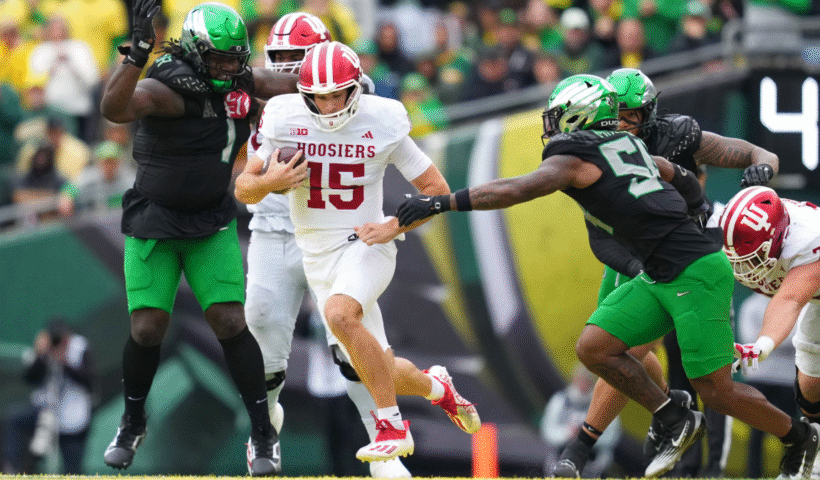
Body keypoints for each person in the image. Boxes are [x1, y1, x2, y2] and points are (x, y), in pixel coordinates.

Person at [396, 73, 820, 479]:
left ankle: (797, 436)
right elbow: (676, 175)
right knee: (596, 347)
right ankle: (673, 416)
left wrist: (441, 203)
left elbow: (517, 189)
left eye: (558, 113)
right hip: (656, 269)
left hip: (694, 270)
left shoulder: (582, 155)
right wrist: (693, 202)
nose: (551, 122)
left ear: (579, 116)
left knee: (716, 391)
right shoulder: (626, 145)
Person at [234, 40, 481, 464]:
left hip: (365, 243)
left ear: (355, 89)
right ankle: (436, 386)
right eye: (319, 97)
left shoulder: (381, 120)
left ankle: (391, 425)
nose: (329, 106)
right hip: (317, 255)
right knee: (378, 366)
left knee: (338, 315)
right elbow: (243, 187)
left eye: (337, 95)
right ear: (303, 95)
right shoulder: (283, 116)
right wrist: (268, 182)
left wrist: (393, 225)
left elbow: (436, 191)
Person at [98, 0, 302, 475]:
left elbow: (281, 82)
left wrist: (346, 84)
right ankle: (131, 422)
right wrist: (135, 54)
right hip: (156, 221)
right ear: (193, 52)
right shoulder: (168, 87)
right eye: (221, 60)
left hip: (210, 221)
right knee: (147, 328)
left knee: (231, 321)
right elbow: (116, 106)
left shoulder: (235, 79)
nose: (230, 69)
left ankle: (263, 433)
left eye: (235, 59)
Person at [550, 67, 780, 478]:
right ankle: (661, 419)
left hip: (688, 257)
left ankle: (587, 448)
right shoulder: (591, 150)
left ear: (649, 113)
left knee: (706, 373)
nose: (619, 124)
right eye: (613, 114)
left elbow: (751, 152)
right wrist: (642, 269)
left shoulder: (677, 135)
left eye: (629, 115)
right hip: (632, 256)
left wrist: (762, 166)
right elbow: (598, 237)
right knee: (617, 350)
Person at [242, 13, 410, 477]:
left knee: (352, 338)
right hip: (276, 227)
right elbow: (242, 172)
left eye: (297, 62)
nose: (288, 73)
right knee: (260, 321)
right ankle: (264, 428)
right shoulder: (265, 103)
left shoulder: (353, 92)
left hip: (339, 233)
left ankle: (385, 445)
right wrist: (267, 179)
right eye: (279, 62)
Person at [721, 187, 820, 456]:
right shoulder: (734, 231)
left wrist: (763, 343)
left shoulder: (810, 239)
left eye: (752, 259)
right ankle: (816, 453)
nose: (743, 270)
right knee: (810, 384)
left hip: (811, 290)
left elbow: (788, 300)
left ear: (778, 238)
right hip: (815, 299)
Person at [2, 318, 93, 474]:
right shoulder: (44, 348)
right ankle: (13, 468)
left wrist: (63, 362)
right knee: (15, 419)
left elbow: (88, 381)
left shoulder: (79, 347)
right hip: (46, 412)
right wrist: (41, 355)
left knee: (72, 467)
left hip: (73, 415)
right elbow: (30, 378)